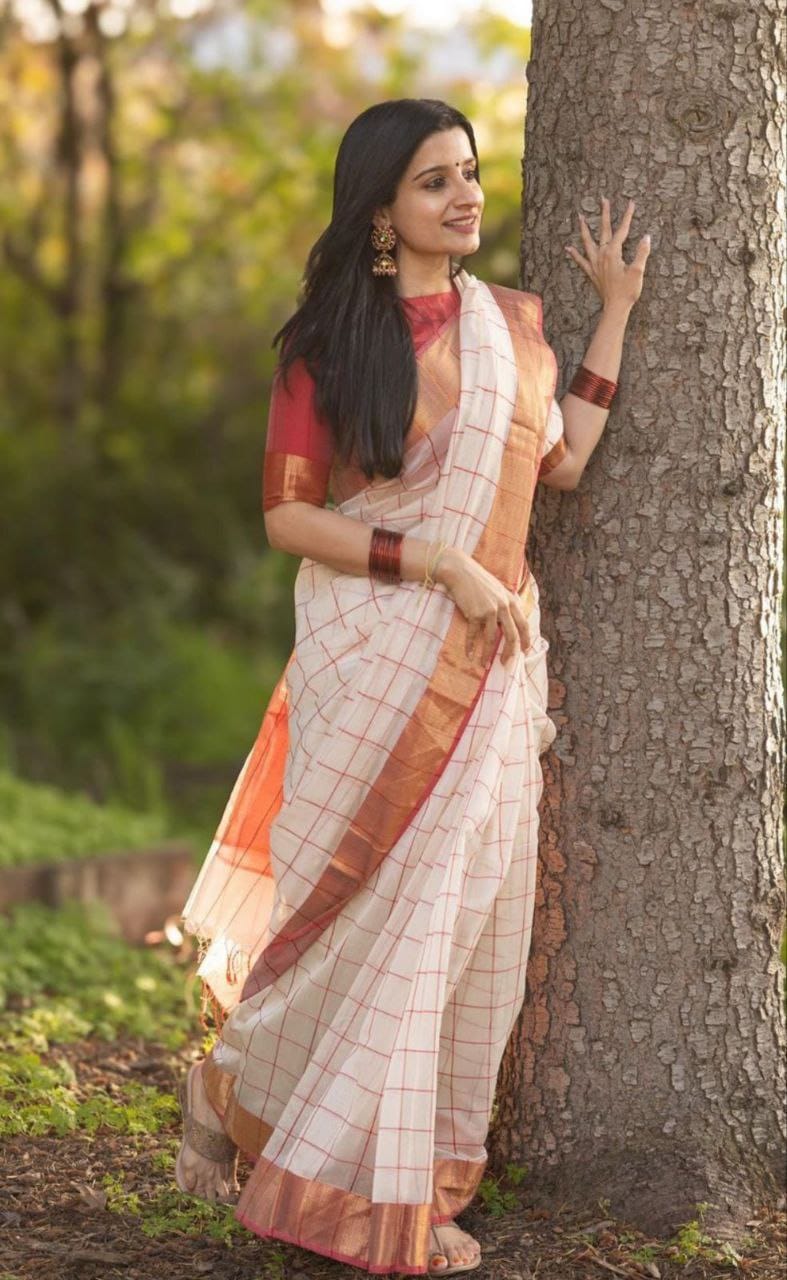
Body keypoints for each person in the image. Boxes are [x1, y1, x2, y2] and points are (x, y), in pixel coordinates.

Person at [175, 98, 650, 1277]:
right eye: (436, 181)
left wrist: (616, 321)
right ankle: (233, 1090)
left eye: (470, 173)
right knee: (342, 921)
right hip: (372, 648)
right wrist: (434, 561)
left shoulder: (514, 333)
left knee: (455, 928)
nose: (466, 196)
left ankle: (404, 1183)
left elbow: (568, 465)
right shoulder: (329, 348)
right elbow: (289, 516)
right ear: (381, 211)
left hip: (491, 667)